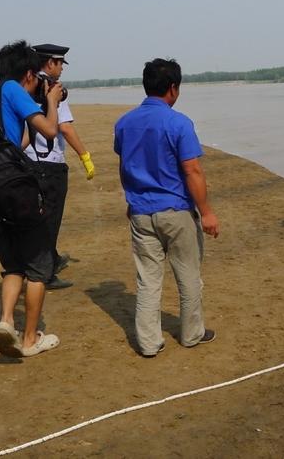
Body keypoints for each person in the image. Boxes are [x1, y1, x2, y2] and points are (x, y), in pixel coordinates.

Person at [114, 58, 219, 357]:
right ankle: (192, 334)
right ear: (173, 88)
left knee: (148, 280)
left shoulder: (125, 123)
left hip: (141, 211)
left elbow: (125, 166)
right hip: (175, 210)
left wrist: (130, 199)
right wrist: (207, 212)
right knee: (188, 275)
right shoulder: (179, 123)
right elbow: (192, 171)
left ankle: (148, 343)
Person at [0, 40, 64, 357]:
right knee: (38, 268)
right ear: (28, 74)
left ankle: (6, 321)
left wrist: (31, 116)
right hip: (16, 196)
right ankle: (29, 340)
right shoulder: (13, 90)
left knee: (13, 265)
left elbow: (16, 144)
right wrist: (51, 100)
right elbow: (51, 131)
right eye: (37, 76)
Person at [23, 43, 96, 290]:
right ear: (50, 63)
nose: (62, 69)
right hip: (49, 163)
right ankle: (46, 273)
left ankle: (45, 260)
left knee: (36, 218)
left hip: (29, 161)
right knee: (50, 219)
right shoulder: (52, 89)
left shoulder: (27, 85)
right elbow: (64, 126)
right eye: (60, 63)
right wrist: (85, 155)